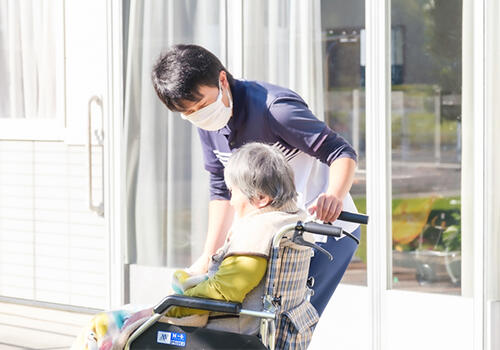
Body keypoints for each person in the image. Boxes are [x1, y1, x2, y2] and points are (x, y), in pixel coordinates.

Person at [151, 44, 360, 316]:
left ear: (222, 80)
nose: (198, 115)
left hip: (320, 232)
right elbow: (220, 189)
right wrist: (208, 254)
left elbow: (341, 152)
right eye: (189, 113)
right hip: (263, 238)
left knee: (286, 326)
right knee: (248, 325)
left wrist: (334, 195)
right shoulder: (208, 123)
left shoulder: (275, 109)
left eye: (201, 105)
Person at [72, 143, 309, 349]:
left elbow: (223, 292)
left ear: (260, 199)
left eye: (233, 192)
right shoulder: (291, 222)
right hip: (244, 326)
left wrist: (162, 309)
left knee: (103, 326)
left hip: (223, 331)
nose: (231, 201)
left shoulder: (257, 231)